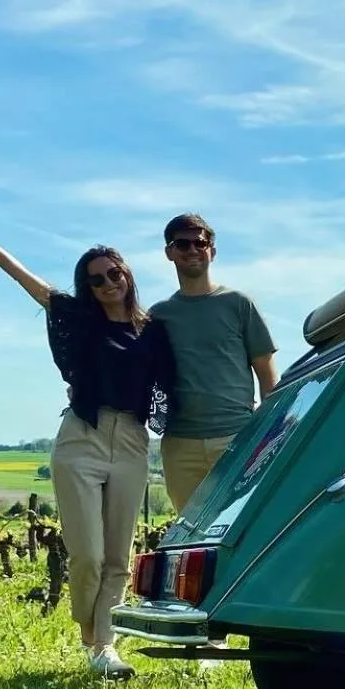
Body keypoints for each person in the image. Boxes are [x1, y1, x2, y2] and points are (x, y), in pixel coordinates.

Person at [0, 220, 177, 679]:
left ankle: (104, 646)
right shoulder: (80, 319)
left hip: (132, 442)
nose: (105, 284)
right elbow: (28, 281)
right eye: (95, 279)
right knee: (88, 555)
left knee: (120, 556)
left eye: (112, 274)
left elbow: (184, 374)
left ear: (127, 274)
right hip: (81, 437)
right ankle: (91, 632)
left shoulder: (154, 330)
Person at [149, 213, 278, 514]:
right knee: (191, 535)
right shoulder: (158, 316)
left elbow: (268, 376)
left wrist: (267, 433)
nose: (193, 250)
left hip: (237, 438)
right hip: (180, 445)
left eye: (200, 243)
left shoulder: (239, 304)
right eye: (183, 244)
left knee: (244, 526)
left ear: (212, 251)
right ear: (169, 252)